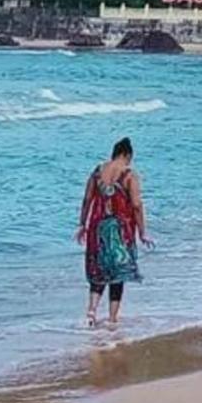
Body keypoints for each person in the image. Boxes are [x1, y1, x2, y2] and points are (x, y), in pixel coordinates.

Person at [76, 137, 152, 328]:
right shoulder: (129, 175)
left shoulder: (97, 172)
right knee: (118, 274)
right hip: (120, 229)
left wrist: (82, 224)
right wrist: (142, 232)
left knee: (98, 270)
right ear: (127, 155)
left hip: (97, 227)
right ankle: (112, 319)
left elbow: (87, 199)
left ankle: (91, 312)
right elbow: (136, 205)